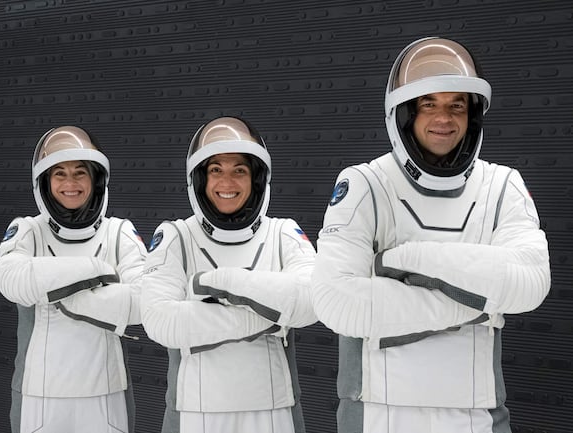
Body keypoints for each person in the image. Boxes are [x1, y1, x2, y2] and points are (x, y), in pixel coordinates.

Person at [309, 37, 551, 432]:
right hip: (376, 415)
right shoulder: (365, 184)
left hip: (478, 416)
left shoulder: (502, 184)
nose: (445, 117)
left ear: (472, 115)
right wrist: (480, 302)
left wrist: (404, 262)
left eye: (457, 104)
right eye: (429, 104)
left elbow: (530, 283)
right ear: (403, 114)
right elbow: (337, 302)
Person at [141, 116, 318, 433]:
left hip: (273, 412)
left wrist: (224, 288)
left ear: (257, 179)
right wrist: (270, 315)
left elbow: (312, 299)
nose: (227, 182)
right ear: (199, 180)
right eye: (215, 170)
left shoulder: (283, 232)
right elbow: (160, 320)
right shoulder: (175, 237)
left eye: (240, 170)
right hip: (196, 414)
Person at [0, 126, 147, 433]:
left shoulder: (119, 232)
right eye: (59, 174)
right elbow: (12, 281)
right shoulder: (28, 229)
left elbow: (143, 302)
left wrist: (52, 287)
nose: (70, 183)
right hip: (39, 395)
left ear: (96, 180)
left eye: (80, 173)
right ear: (45, 182)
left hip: (106, 394)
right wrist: (96, 272)